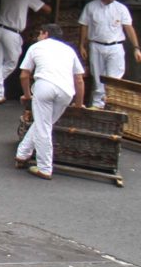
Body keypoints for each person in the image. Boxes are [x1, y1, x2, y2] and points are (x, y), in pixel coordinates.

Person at [15, 23, 87, 180]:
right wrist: (78, 104)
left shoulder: (36, 47)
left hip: (44, 86)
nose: (38, 37)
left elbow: (24, 75)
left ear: (45, 34)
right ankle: (22, 154)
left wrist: (27, 95)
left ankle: (45, 167)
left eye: (40, 34)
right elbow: (79, 79)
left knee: (43, 126)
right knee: (44, 123)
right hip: (66, 91)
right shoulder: (69, 50)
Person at [78, 0, 141, 108]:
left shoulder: (121, 8)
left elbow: (128, 28)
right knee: (97, 77)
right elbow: (84, 25)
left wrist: (136, 47)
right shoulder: (91, 7)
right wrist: (82, 45)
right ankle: (98, 105)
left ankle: (112, 104)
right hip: (96, 45)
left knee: (114, 78)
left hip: (115, 46)